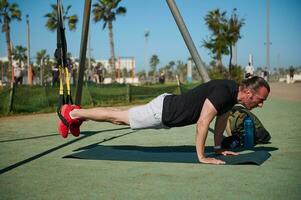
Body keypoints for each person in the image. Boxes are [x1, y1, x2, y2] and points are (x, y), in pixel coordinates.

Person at [58, 76, 270, 165]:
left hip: (167, 109)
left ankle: (78, 115)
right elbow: (203, 122)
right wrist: (202, 157)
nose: (261, 105)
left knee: (120, 117)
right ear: (250, 94)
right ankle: (74, 114)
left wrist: (217, 148)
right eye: (261, 100)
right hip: (163, 112)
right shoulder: (225, 92)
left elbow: (221, 122)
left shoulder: (231, 94)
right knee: (118, 118)